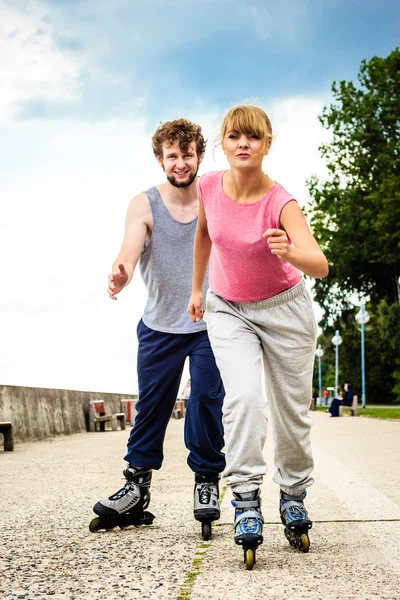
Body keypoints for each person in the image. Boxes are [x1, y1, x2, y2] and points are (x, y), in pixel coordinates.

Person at [188, 105, 329, 567]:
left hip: (285, 310)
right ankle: (246, 496)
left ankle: (292, 493)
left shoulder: (281, 201)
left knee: (291, 410)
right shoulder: (208, 185)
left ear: (267, 145)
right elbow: (204, 236)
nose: (242, 144)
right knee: (244, 398)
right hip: (228, 309)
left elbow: (320, 263)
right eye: (233, 137)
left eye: (252, 137)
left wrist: (291, 251)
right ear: (223, 144)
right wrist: (197, 288)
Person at [90, 119, 225, 537]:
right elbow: (131, 244)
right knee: (151, 406)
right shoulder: (144, 204)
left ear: (199, 155)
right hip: (159, 326)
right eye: (172, 155)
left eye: (187, 154)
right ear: (160, 158)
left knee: (204, 397)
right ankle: (136, 487)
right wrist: (122, 271)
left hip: (209, 323)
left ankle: (206, 481)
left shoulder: (217, 196)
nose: (180, 163)